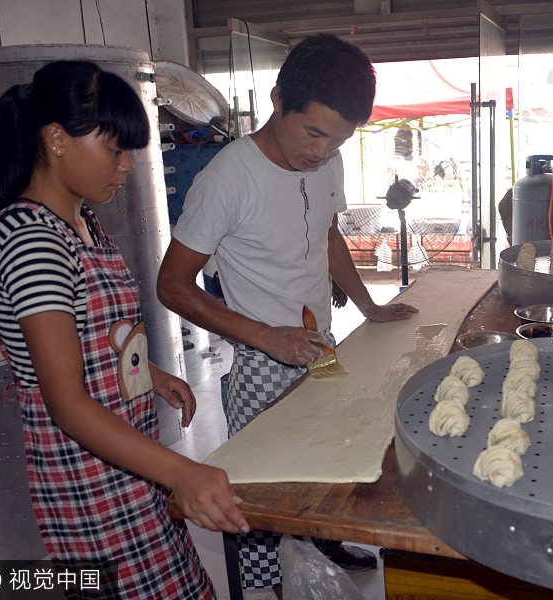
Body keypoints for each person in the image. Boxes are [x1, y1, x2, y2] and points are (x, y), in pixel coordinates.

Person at [157, 33, 418, 594]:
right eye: (314, 132)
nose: (322, 151)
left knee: (324, 469)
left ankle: (325, 545)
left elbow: (327, 236)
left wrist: (370, 305)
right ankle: (278, 589)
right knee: (265, 506)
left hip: (317, 346)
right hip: (259, 362)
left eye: (340, 139)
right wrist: (263, 336)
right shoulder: (227, 179)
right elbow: (172, 286)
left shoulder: (328, 163)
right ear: (278, 101)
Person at [0, 60, 250, 598]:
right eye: (114, 148)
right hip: (88, 483)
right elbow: (65, 401)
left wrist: (147, 372)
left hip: (127, 466)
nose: (126, 167)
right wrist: (182, 472)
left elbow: (90, 333)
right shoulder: (32, 239)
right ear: (56, 139)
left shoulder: (82, 224)